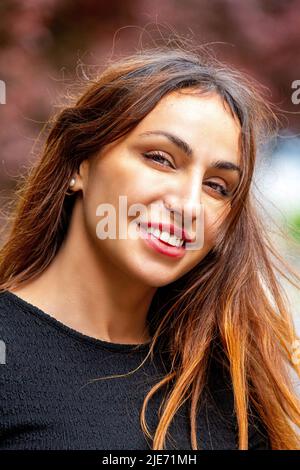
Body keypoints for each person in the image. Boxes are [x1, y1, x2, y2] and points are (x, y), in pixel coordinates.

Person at [0, 44, 299, 450]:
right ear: (78, 165)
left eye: (217, 186)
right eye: (160, 158)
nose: (189, 205)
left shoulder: (227, 383)